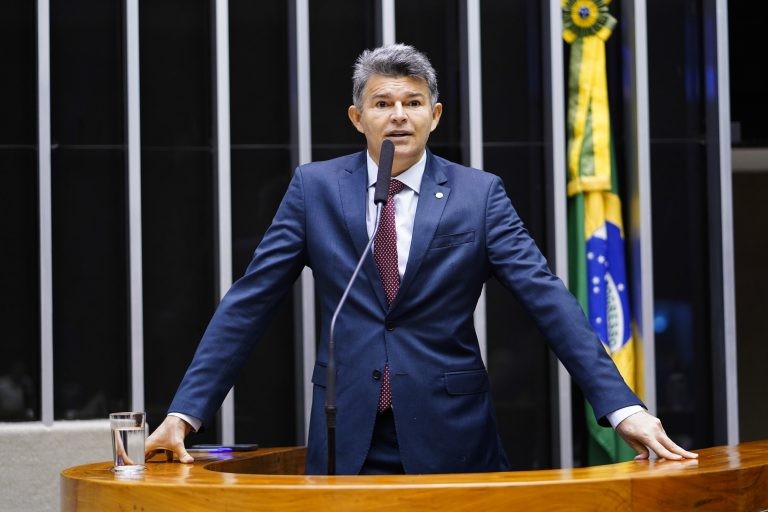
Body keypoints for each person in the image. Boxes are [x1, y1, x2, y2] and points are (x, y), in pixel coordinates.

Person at [145, 43, 697, 474]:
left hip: (452, 430)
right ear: (357, 117)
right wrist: (185, 413)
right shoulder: (313, 190)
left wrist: (622, 408)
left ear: (435, 115)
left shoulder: (478, 195)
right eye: (382, 104)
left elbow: (547, 298)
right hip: (347, 435)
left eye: (412, 104)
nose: (399, 116)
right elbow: (250, 301)